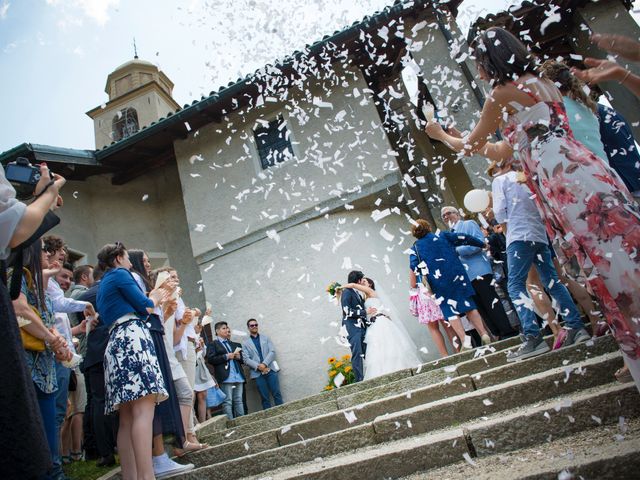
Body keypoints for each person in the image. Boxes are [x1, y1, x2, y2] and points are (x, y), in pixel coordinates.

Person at [425, 27, 640, 388]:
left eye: (478, 61)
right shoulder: (541, 84)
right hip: (583, 168)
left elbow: (471, 145)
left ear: (489, 60)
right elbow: (499, 151)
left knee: (603, 259)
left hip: (563, 180)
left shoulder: (501, 93)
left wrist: (440, 135)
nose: (477, 69)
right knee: (617, 249)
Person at [491, 158, 590, 360]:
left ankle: (532, 336)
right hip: (539, 235)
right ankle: (576, 327)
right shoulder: (528, 179)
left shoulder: (500, 180)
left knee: (515, 285)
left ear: (503, 164)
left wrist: (508, 233)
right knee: (553, 281)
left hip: (518, 237)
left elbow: (500, 211)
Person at [96, 242, 173, 480]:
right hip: (132, 338)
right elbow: (146, 306)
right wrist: (157, 296)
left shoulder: (104, 283)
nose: (131, 262)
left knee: (127, 416)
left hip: (116, 341)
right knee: (143, 409)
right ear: (118, 258)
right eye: (128, 257)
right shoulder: (121, 273)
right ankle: (147, 476)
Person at [11, 239, 74, 480]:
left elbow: (47, 323)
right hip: (27, 369)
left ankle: (56, 473)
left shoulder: (41, 287)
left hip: (46, 372)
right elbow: (20, 309)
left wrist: (60, 345)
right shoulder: (14, 277)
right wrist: (52, 338)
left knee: (50, 433)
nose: (48, 254)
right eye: (43, 249)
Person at [409, 219, 494, 353]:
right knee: (469, 305)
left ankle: (465, 340)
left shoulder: (415, 248)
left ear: (414, 233)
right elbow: (464, 238)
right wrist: (481, 244)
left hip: (438, 282)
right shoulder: (442, 236)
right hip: (457, 275)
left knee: (450, 311)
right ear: (428, 227)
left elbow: (414, 267)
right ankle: (483, 333)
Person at [440, 206, 518, 341]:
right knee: (480, 307)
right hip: (465, 277)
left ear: (457, 214)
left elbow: (479, 244)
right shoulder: (448, 235)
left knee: (491, 301)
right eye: (443, 216)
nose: (446, 217)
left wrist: (456, 251)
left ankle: (507, 330)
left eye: (448, 213)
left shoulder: (468, 224)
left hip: (479, 270)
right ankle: (497, 332)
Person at [341, 278, 422, 379]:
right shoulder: (363, 298)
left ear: (370, 284)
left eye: (365, 281)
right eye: (362, 282)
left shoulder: (371, 292)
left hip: (380, 322)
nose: (362, 283)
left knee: (388, 346)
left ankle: (396, 368)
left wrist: (341, 287)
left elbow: (353, 285)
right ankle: (382, 372)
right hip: (373, 324)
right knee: (378, 348)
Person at [207, 321, 246, 419]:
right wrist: (225, 356)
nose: (227, 330)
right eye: (224, 328)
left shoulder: (233, 344)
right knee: (227, 401)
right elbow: (210, 359)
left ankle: (242, 422)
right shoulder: (213, 344)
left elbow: (243, 360)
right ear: (217, 331)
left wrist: (238, 357)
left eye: (227, 328)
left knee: (239, 400)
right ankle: (231, 424)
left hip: (238, 375)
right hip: (226, 376)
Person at [242, 318, 283, 409]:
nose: (254, 327)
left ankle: (283, 414)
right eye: (252, 325)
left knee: (277, 393)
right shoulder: (245, 343)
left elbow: (272, 352)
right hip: (257, 373)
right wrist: (258, 366)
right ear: (248, 328)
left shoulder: (266, 338)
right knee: (264, 398)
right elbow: (246, 359)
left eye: (256, 325)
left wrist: (264, 364)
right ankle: (269, 420)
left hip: (270, 370)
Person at [340, 270, 369, 382]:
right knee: (357, 353)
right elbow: (347, 311)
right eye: (362, 280)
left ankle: (370, 375)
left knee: (366, 352)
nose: (362, 282)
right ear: (358, 280)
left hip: (361, 328)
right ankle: (359, 380)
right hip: (352, 328)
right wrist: (364, 312)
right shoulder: (347, 292)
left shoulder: (357, 293)